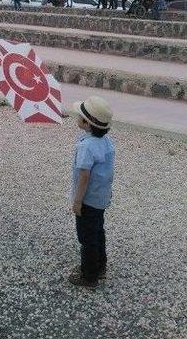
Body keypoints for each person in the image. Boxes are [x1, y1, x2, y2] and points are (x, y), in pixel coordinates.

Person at [68, 96, 115, 288]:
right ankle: (100, 265)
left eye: (79, 116)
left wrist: (77, 201)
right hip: (100, 197)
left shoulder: (86, 146)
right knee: (97, 231)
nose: (76, 118)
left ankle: (89, 276)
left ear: (86, 124)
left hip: (87, 200)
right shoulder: (107, 142)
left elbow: (84, 176)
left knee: (86, 236)